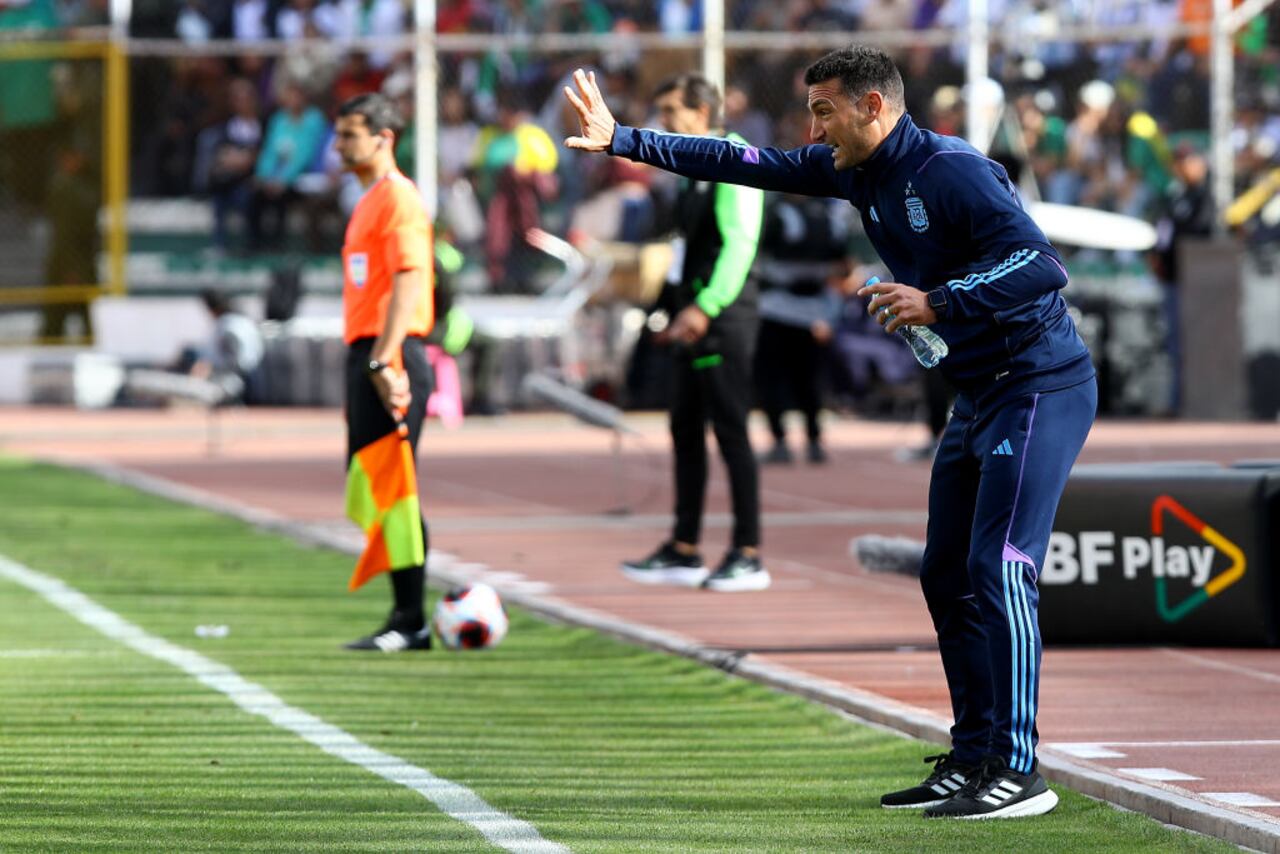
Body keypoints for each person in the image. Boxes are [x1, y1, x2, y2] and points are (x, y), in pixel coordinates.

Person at [564, 45, 1096, 819]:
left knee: (1000, 566)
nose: (813, 129)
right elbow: (741, 159)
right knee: (945, 573)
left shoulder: (952, 170)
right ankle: (975, 753)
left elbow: (1042, 265)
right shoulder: (854, 170)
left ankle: (1020, 770)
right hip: (980, 393)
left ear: (872, 107)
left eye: (824, 111)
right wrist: (624, 140)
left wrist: (938, 300)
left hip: (1039, 384)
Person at [617, 72, 771, 593]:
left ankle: (748, 552)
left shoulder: (734, 159)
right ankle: (684, 547)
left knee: (730, 432)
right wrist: (671, 307)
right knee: (684, 427)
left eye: (671, 114)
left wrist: (704, 307)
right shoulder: (690, 168)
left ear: (702, 114)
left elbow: (740, 243)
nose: (663, 126)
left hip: (723, 317)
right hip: (690, 316)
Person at [332, 92, 436, 652]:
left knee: (394, 491)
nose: (339, 145)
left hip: (388, 354)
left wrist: (384, 358)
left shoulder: (399, 200)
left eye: (349, 134)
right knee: (374, 486)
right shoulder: (368, 200)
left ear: (384, 137)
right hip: (368, 352)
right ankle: (407, 611)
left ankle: (410, 620)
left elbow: (409, 279)